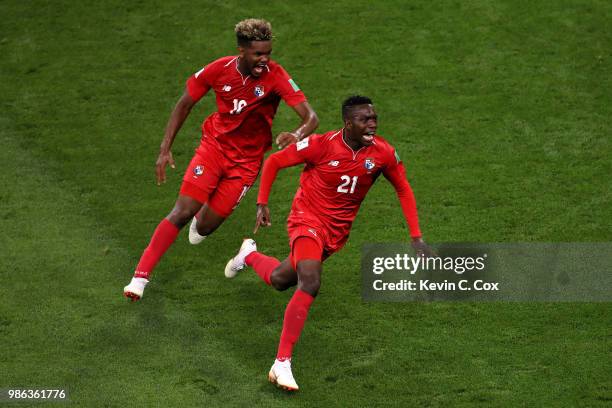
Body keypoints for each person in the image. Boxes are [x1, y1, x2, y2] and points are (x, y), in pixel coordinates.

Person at [223, 95, 434, 390]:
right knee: (310, 281)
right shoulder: (321, 145)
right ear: (348, 123)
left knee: (281, 279)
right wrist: (262, 202)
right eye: (365, 119)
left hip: (335, 234)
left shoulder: (383, 153)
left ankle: (249, 255)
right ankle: (281, 363)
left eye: (374, 118)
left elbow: (404, 189)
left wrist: (416, 237)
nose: (372, 124)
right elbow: (274, 162)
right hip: (306, 220)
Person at [123, 19, 318, 301]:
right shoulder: (220, 69)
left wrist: (297, 134)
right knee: (182, 210)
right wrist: (165, 148)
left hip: (246, 163)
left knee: (204, 228)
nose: (264, 60)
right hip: (214, 148)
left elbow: (311, 117)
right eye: (258, 54)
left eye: (268, 53)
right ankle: (139, 278)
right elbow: (185, 103)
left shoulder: (275, 76)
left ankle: (216, 230)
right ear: (241, 51)